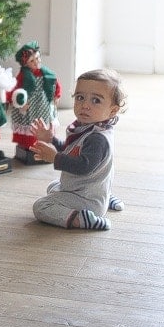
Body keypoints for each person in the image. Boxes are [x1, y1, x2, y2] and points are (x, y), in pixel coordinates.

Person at [31, 68, 126, 231]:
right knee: (53, 186)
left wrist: (55, 158)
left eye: (96, 100)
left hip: (87, 199)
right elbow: (72, 150)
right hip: (88, 190)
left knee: (41, 206)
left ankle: (83, 219)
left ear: (113, 110)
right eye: (80, 97)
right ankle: (104, 196)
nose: (85, 105)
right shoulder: (89, 127)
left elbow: (82, 167)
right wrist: (51, 139)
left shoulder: (97, 138)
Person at [11, 41, 62, 163]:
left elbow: (56, 83)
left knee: (45, 123)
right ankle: (31, 147)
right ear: (25, 64)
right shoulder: (23, 75)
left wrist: (57, 95)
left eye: (38, 58)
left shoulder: (47, 73)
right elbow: (16, 90)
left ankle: (46, 145)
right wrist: (20, 103)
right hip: (30, 106)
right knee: (32, 125)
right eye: (32, 61)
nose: (37, 62)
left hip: (45, 104)